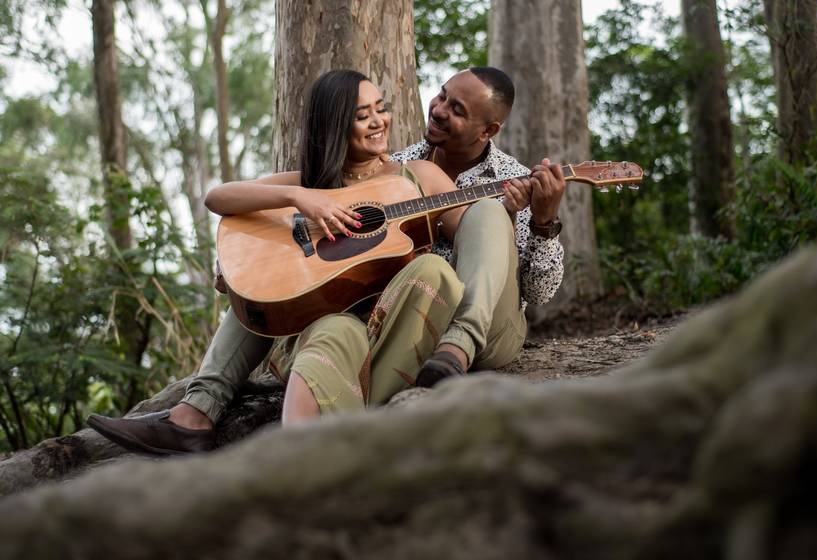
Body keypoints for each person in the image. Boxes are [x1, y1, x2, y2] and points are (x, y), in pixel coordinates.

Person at [87, 67, 566, 455]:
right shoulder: (382, 170)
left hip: (469, 319)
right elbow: (221, 196)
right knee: (265, 286)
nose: (436, 109)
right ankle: (196, 411)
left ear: (489, 129)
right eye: (440, 96)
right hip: (389, 323)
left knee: (477, 219)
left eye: (456, 109)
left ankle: (458, 347)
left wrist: (535, 220)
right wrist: (301, 203)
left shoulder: (455, 177)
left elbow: (527, 282)